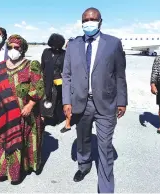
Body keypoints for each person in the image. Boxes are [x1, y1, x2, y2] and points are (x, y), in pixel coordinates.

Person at [62, 7, 127, 193]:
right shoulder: (73, 45)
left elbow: (120, 75)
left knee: (105, 146)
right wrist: (66, 101)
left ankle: (106, 189)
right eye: (85, 20)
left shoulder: (113, 44)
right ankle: (83, 165)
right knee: (82, 138)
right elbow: (66, 75)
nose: (88, 23)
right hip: (80, 102)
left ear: (100, 21)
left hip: (106, 102)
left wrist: (122, 101)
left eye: (92, 19)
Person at [0, 34, 44, 184]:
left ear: (23, 49)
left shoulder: (32, 65)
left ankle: (19, 171)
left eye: (16, 47)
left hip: (24, 111)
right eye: (10, 47)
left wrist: (30, 105)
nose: (13, 50)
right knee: (1, 140)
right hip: (4, 112)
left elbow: (38, 87)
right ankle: (0, 171)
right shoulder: (0, 67)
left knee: (20, 141)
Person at [40, 33, 71, 133]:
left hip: (58, 81)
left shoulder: (64, 54)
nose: (55, 48)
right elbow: (42, 66)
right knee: (45, 98)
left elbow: (66, 69)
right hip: (46, 79)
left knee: (57, 100)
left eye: (57, 46)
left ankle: (56, 118)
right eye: (53, 45)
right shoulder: (46, 52)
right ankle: (45, 117)